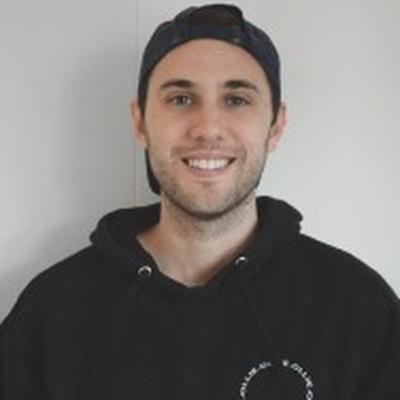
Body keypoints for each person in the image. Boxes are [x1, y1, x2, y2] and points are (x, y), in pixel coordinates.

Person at [1, 4, 399, 399]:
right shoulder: (52, 312)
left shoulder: (357, 309)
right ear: (140, 122)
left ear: (275, 126)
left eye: (236, 100)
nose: (208, 128)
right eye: (180, 99)